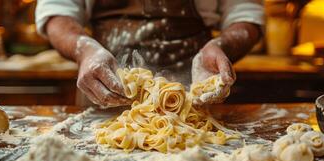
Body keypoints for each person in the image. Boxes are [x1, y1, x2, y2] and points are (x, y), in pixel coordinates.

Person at [35, 0, 263, 106]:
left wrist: (223, 47)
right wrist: (85, 50)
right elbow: (57, 11)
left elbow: (245, 13)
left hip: (195, 98)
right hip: (103, 89)